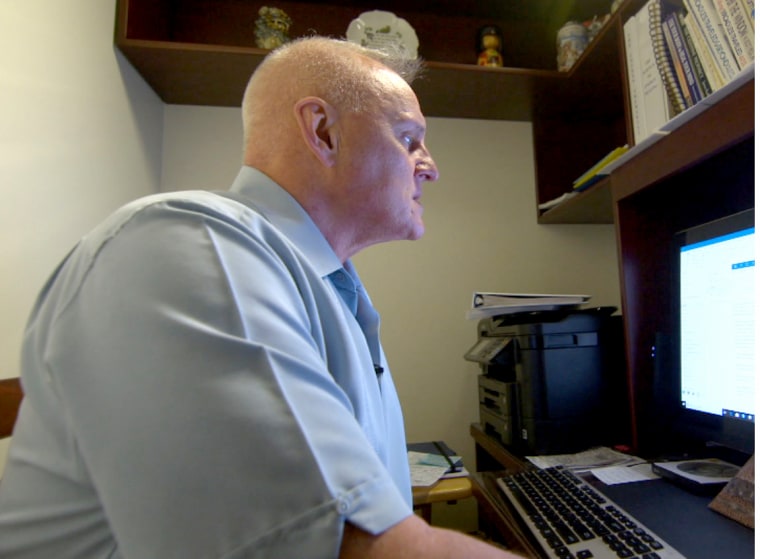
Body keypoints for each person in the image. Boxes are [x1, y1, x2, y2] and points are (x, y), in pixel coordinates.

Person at [0, 37, 523, 558]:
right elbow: (354, 547)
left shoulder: (325, 285)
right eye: (408, 138)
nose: (430, 167)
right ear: (323, 132)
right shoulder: (186, 245)